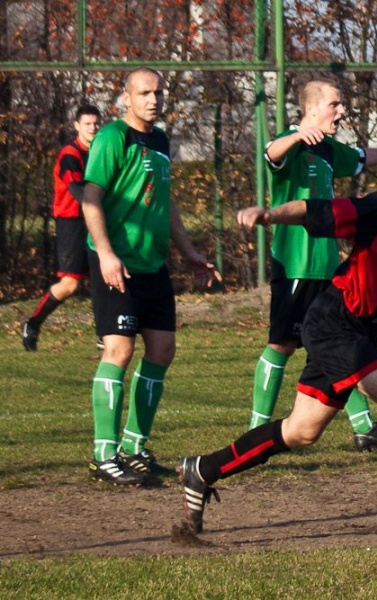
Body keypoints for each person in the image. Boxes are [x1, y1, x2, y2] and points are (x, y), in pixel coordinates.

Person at [177, 151, 377, 537]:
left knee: (301, 431)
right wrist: (271, 215)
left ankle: (202, 470)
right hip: (333, 321)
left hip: (361, 330)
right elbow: (318, 210)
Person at [251, 79, 377, 452]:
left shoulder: (329, 150)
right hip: (296, 264)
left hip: (328, 266)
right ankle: (255, 428)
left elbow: (363, 157)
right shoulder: (294, 142)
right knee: (282, 344)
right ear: (312, 109)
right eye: (335, 104)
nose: (342, 110)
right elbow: (271, 153)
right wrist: (297, 135)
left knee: (346, 341)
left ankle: (364, 426)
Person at [81, 68, 221, 485]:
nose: (154, 99)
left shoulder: (159, 141)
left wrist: (190, 253)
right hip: (116, 262)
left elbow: (166, 203)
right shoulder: (113, 137)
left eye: (159, 92)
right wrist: (105, 253)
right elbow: (91, 197)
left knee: (162, 350)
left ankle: (134, 447)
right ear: (126, 97)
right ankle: (103, 455)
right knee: (119, 351)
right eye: (144, 92)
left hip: (152, 265)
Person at [22, 105, 102, 351]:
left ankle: (105, 337)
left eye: (96, 123)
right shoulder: (70, 153)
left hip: (96, 218)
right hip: (73, 222)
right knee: (70, 285)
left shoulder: (101, 151)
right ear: (77, 126)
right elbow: (76, 188)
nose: (92, 128)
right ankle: (32, 324)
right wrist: (98, 207)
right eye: (87, 124)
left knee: (105, 278)